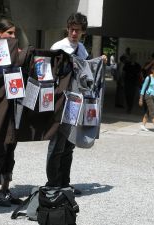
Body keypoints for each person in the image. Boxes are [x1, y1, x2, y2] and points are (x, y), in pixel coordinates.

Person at [47, 12, 106, 193]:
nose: (74, 33)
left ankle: (65, 182)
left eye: (77, 31)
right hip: (60, 100)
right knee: (57, 144)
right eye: (72, 29)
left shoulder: (82, 49)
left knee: (69, 144)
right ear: (67, 28)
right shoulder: (58, 46)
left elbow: (86, 73)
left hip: (76, 102)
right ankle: (53, 183)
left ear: (83, 32)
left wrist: (99, 61)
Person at [0, 18, 22, 207]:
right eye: (9, 33)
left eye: (14, 33)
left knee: (11, 148)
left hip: (15, 105)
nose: (13, 36)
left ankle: (7, 189)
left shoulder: (15, 52)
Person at [139, 65, 154, 133]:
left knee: (148, 111)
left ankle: (143, 125)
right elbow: (143, 88)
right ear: (152, 70)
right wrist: (140, 98)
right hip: (148, 96)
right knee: (152, 111)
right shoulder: (148, 78)